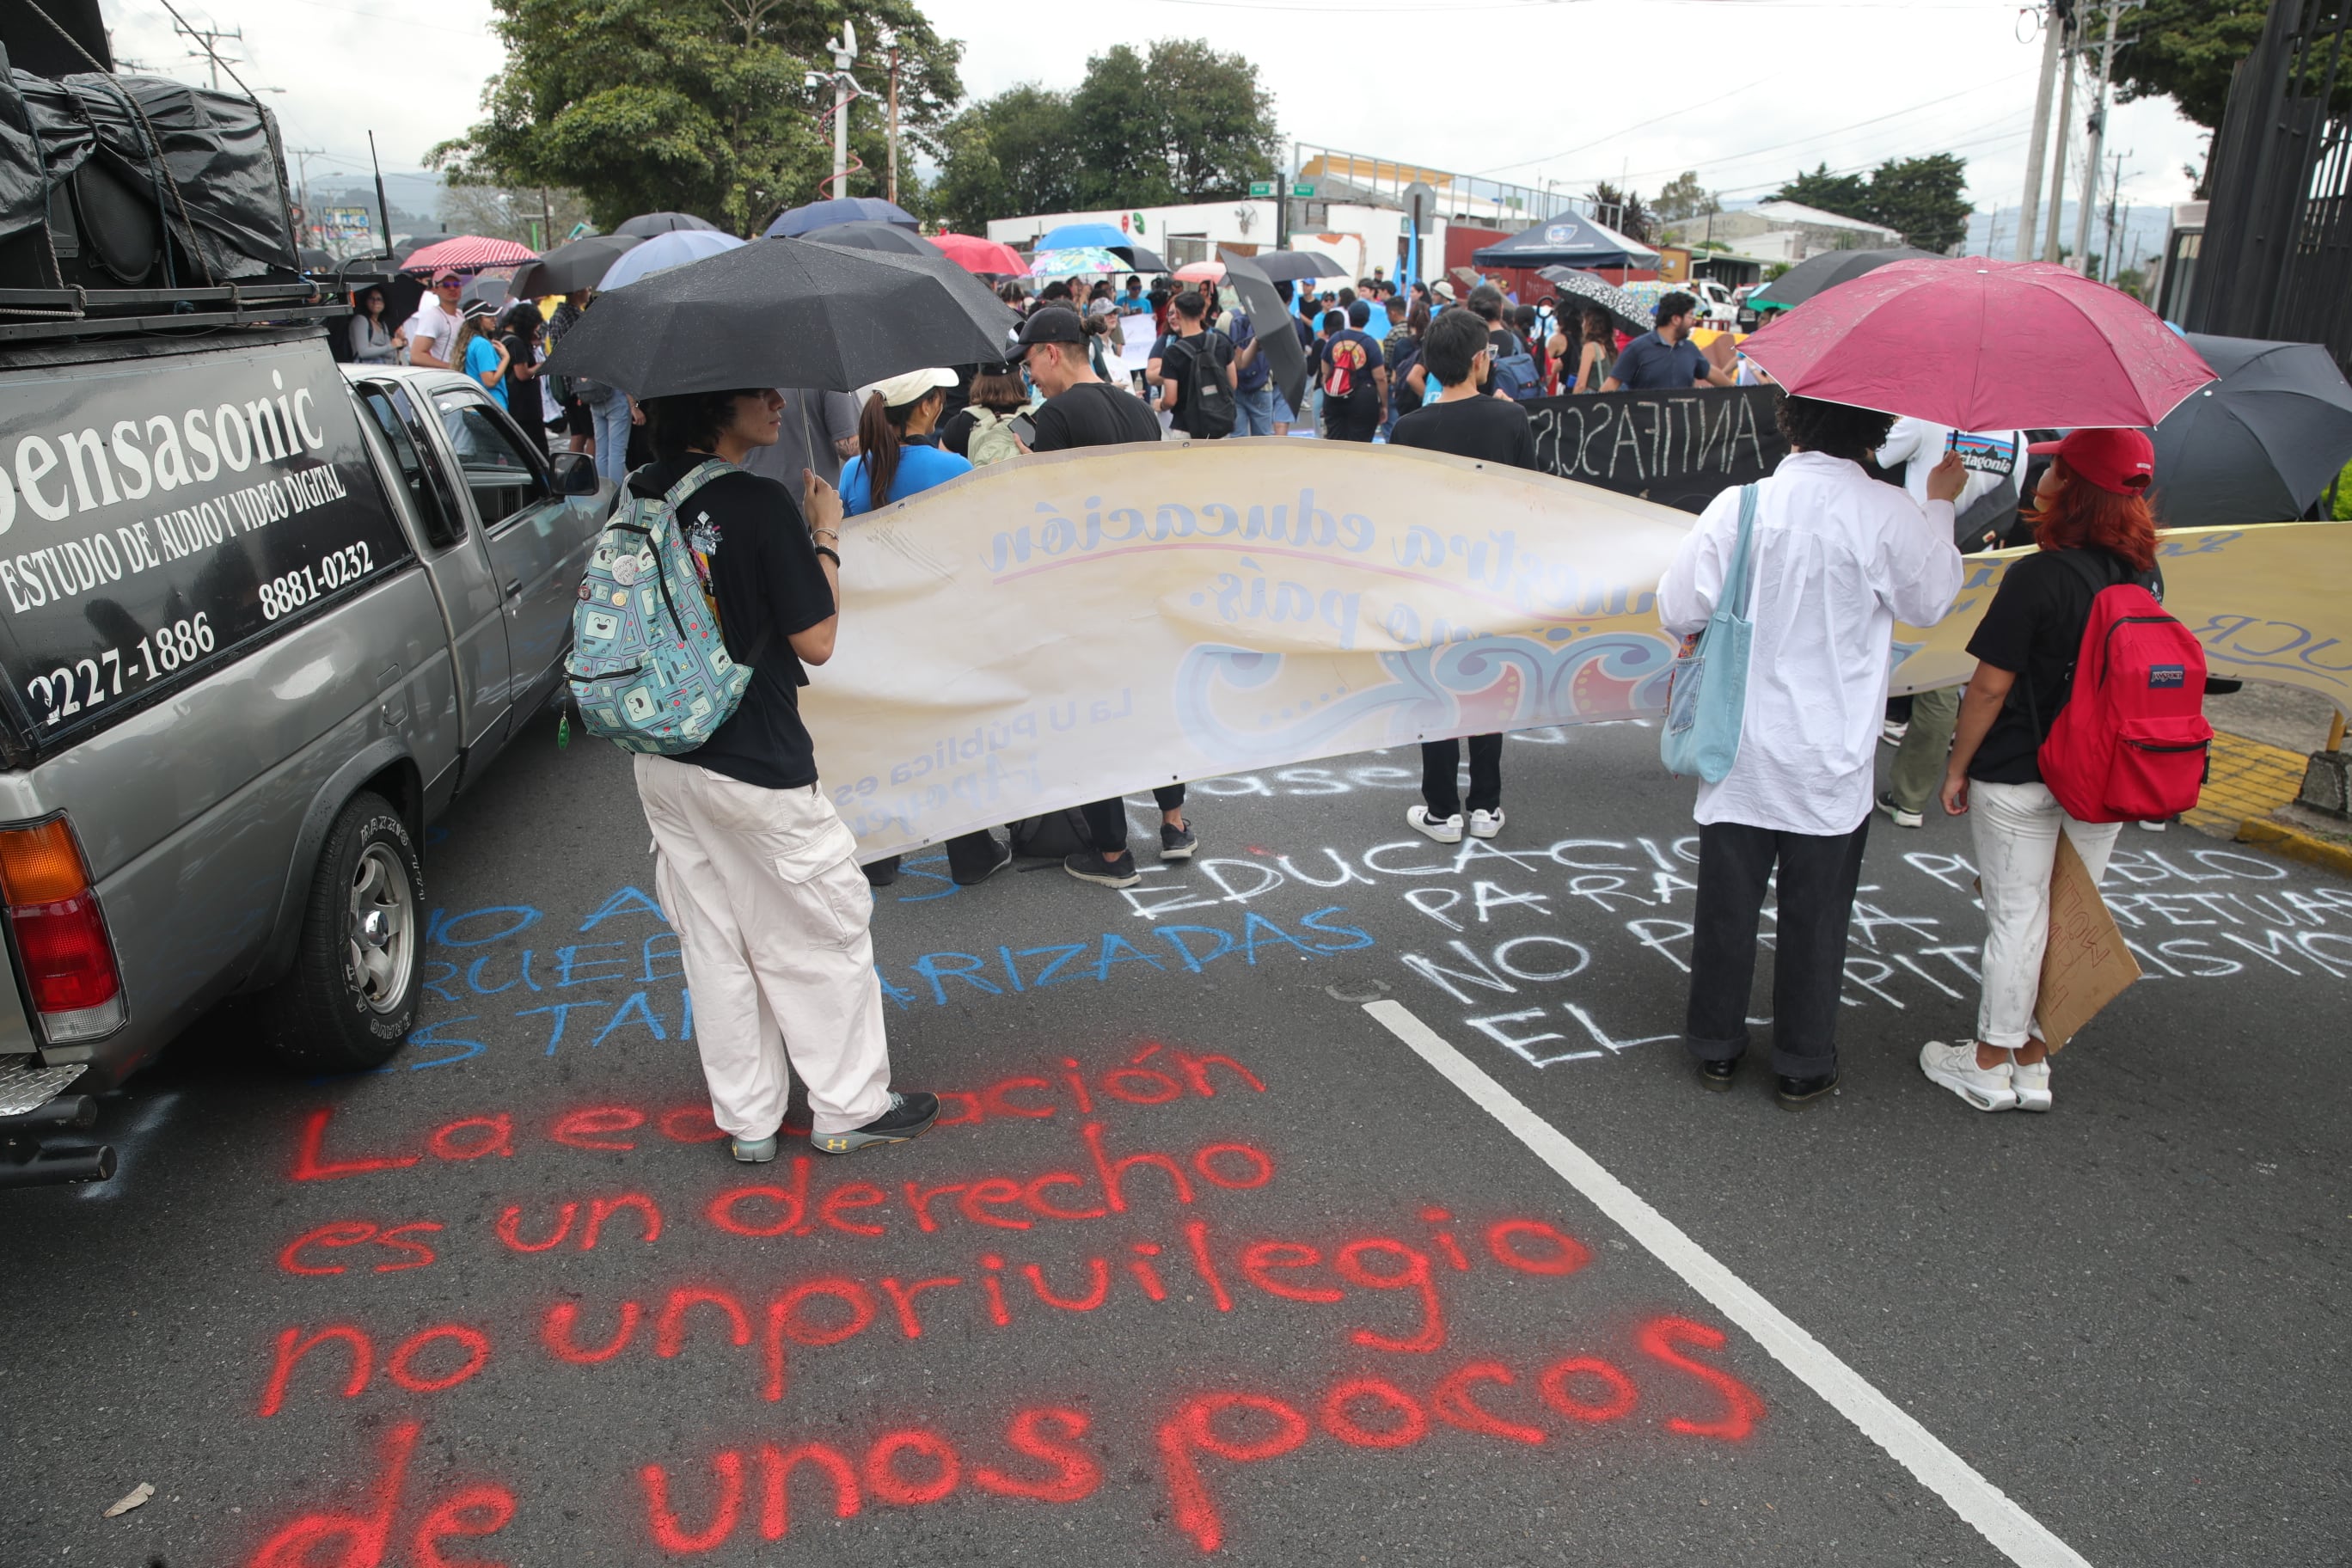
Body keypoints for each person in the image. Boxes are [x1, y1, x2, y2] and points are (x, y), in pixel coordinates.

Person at [628, 386, 940, 1162]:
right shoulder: (758, 502)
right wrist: (825, 535)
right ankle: (849, 1107)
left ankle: (750, 1124)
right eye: (756, 392)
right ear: (710, 406)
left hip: (662, 755)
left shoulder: (635, 494)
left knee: (716, 944)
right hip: (755, 757)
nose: (777, 402)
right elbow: (818, 640)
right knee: (817, 932)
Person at [1657, 396, 1966, 1108]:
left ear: (1792, 421)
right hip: (1833, 753)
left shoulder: (1742, 505)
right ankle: (1802, 1059)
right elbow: (1930, 601)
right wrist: (1939, 506)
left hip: (1739, 744)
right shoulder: (1889, 512)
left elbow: (1679, 607)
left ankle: (1716, 1047)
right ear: (1877, 430)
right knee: (1818, 914)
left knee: (1727, 908)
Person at [1926, 428, 2161, 1114]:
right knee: (2068, 915)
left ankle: (1989, 1061)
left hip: (2022, 770)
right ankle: (2034, 1061)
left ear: (2075, 490)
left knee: (2018, 917)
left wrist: (1956, 767)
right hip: (2104, 778)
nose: (2044, 477)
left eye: (2057, 468)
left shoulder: (2038, 576)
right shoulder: (2146, 576)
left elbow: (1990, 688)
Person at [1010, 307, 1194, 885]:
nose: (1029, 376)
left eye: (1030, 363)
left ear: (1053, 352)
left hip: (1087, 593)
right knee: (1154, 706)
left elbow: (1053, 515)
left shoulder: (1057, 417)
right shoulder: (1138, 408)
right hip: (1146, 584)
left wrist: (1029, 471)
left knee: (1095, 715)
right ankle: (1174, 825)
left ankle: (1112, 855)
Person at [837, 369, 1012, 891]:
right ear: (932, 405)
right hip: (942, 625)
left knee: (885, 737)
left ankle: (879, 855)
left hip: (876, 627)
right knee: (952, 736)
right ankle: (971, 850)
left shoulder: (853, 471)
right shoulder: (951, 467)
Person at [1389, 309, 1539, 842]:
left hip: (1432, 581)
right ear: (1480, 359)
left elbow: (1397, 516)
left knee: (1437, 689)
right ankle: (1486, 806)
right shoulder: (1511, 419)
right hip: (1494, 578)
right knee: (1487, 687)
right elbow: (1531, 502)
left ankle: (1441, 811)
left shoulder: (1409, 428)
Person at [1871, 417, 2030, 830]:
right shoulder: (2017, 439)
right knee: (1936, 682)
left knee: (1865, 656)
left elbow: (1881, 454)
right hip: (1968, 570)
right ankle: (1910, 798)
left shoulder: (1924, 422)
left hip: (1905, 557)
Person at [1603, 291, 1737, 392]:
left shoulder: (1690, 349)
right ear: (1676, 319)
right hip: (1644, 425)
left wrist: (1743, 393)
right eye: (1690, 315)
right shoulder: (1637, 348)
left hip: (1679, 426)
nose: (1694, 321)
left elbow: (1712, 373)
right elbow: (1612, 384)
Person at [744, 388, 861, 493]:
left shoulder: (744, 371)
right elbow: (848, 447)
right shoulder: (829, 372)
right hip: (814, 501)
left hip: (752, 493)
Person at [1158, 290, 1237, 438]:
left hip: (1186, 427)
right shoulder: (1221, 342)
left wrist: (1160, 405)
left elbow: (1170, 399)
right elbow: (1232, 383)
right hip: (1219, 424)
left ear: (1178, 314)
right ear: (1202, 314)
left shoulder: (1172, 352)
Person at [1317, 306, 1387, 442]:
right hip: (1363, 398)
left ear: (1349, 316)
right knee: (1360, 444)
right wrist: (1384, 405)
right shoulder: (1370, 343)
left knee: (1336, 441)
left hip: (1335, 396)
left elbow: (1325, 372)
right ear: (1367, 320)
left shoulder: (1335, 338)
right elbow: (1380, 377)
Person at [939, 362, 1030, 465]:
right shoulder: (1036, 420)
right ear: (1020, 375)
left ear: (979, 378)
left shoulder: (958, 425)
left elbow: (946, 474)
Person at [543, 290, 593, 453]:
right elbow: (578, 351)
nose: (589, 292)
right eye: (587, 289)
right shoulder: (572, 315)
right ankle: (590, 472)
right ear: (578, 292)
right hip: (577, 383)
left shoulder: (557, 314)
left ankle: (575, 470)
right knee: (592, 435)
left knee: (578, 433)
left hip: (566, 383)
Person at [452, 301, 511, 409]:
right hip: (491, 407)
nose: (494, 319)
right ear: (477, 320)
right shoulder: (482, 344)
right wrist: (506, 358)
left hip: (478, 406)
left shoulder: (472, 341)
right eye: (488, 317)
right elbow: (490, 381)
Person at [404, 271, 465, 371]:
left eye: (456, 284)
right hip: (446, 378)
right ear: (435, 289)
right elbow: (416, 355)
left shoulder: (461, 314)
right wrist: (450, 367)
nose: (452, 288)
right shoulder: (433, 316)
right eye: (446, 285)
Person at [349, 286, 403, 364]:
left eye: (379, 299)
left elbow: (390, 354)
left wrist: (398, 344)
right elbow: (363, 352)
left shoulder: (382, 324)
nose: (375, 302)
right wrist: (390, 346)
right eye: (371, 298)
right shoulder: (360, 320)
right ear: (365, 301)